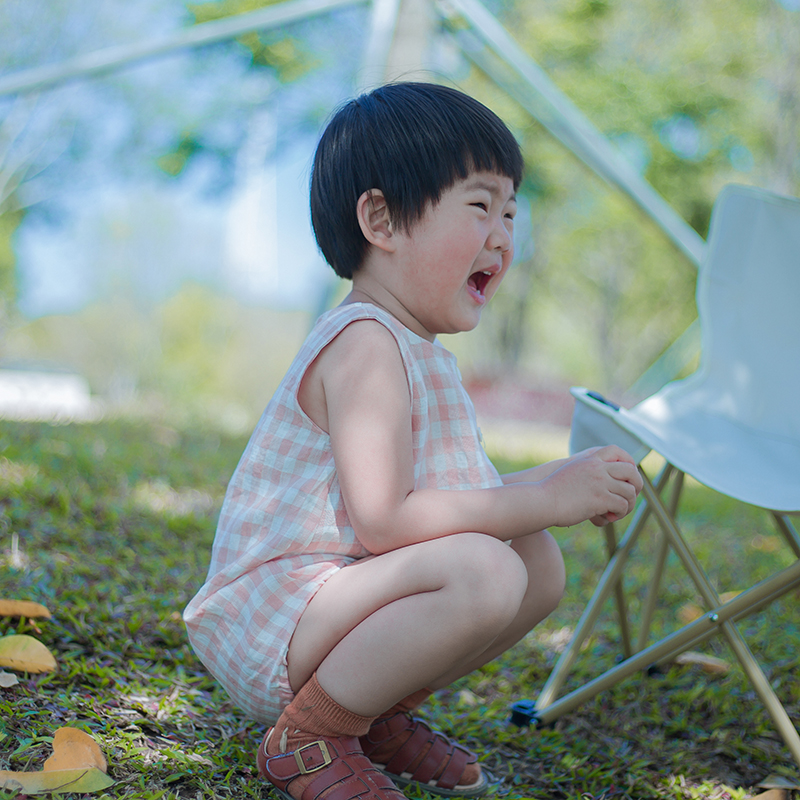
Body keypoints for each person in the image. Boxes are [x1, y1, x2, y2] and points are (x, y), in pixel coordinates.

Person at [184, 82, 643, 800]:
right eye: (480, 206)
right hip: (279, 616)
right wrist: (548, 495)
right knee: (482, 572)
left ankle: (374, 711)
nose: (503, 235)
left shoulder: (419, 352)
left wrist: (561, 482)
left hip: (340, 606)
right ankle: (309, 737)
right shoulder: (365, 343)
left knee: (536, 562)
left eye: (511, 212)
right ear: (382, 219)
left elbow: (466, 505)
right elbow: (387, 520)